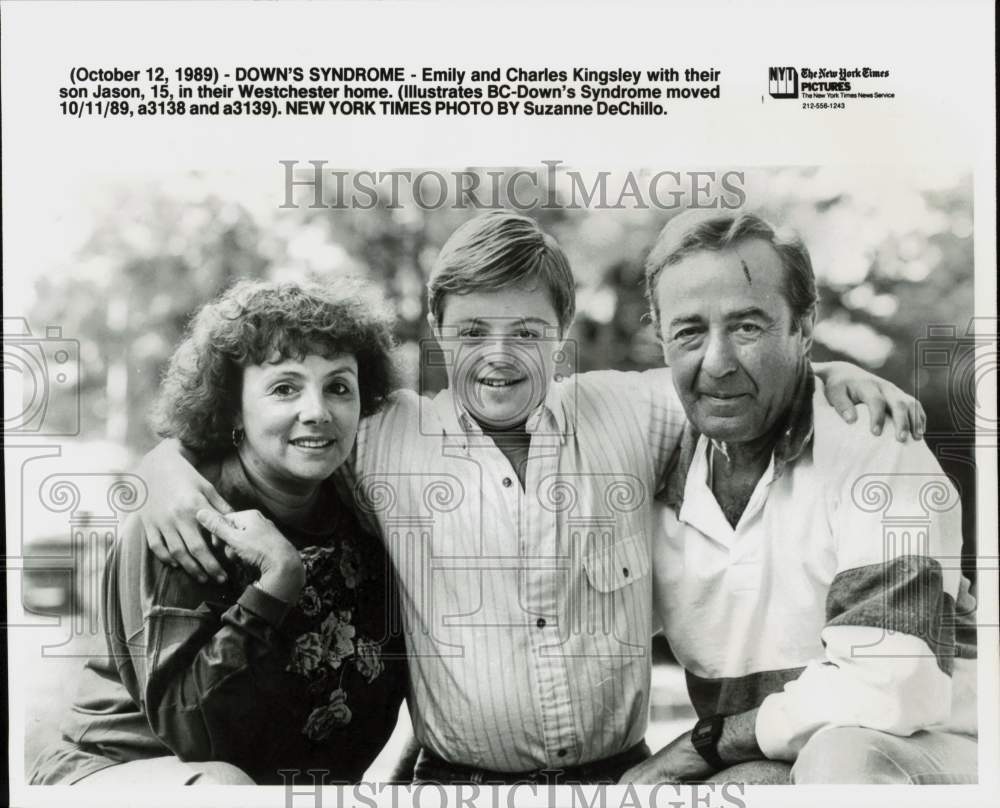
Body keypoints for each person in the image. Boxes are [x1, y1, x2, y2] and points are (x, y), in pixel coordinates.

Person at [131, 212, 926, 784]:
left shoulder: (628, 408)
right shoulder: (380, 434)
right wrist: (162, 468)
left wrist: (828, 376)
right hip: (456, 780)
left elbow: (727, 379)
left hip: (620, 776)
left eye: (527, 332)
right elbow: (237, 430)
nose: (499, 357)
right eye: (473, 332)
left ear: (564, 329)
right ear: (437, 332)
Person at [619, 210, 977, 785]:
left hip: (934, 751)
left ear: (804, 327)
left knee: (842, 762)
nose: (717, 361)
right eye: (689, 331)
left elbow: (889, 686)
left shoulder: (875, 444)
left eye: (748, 327)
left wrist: (706, 741)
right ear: (660, 336)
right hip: (763, 757)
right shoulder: (646, 451)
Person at [29, 280, 407, 785]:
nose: (317, 410)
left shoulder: (365, 509)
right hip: (125, 773)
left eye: (338, 386)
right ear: (233, 406)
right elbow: (195, 734)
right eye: (284, 388)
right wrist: (276, 582)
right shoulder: (184, 516)